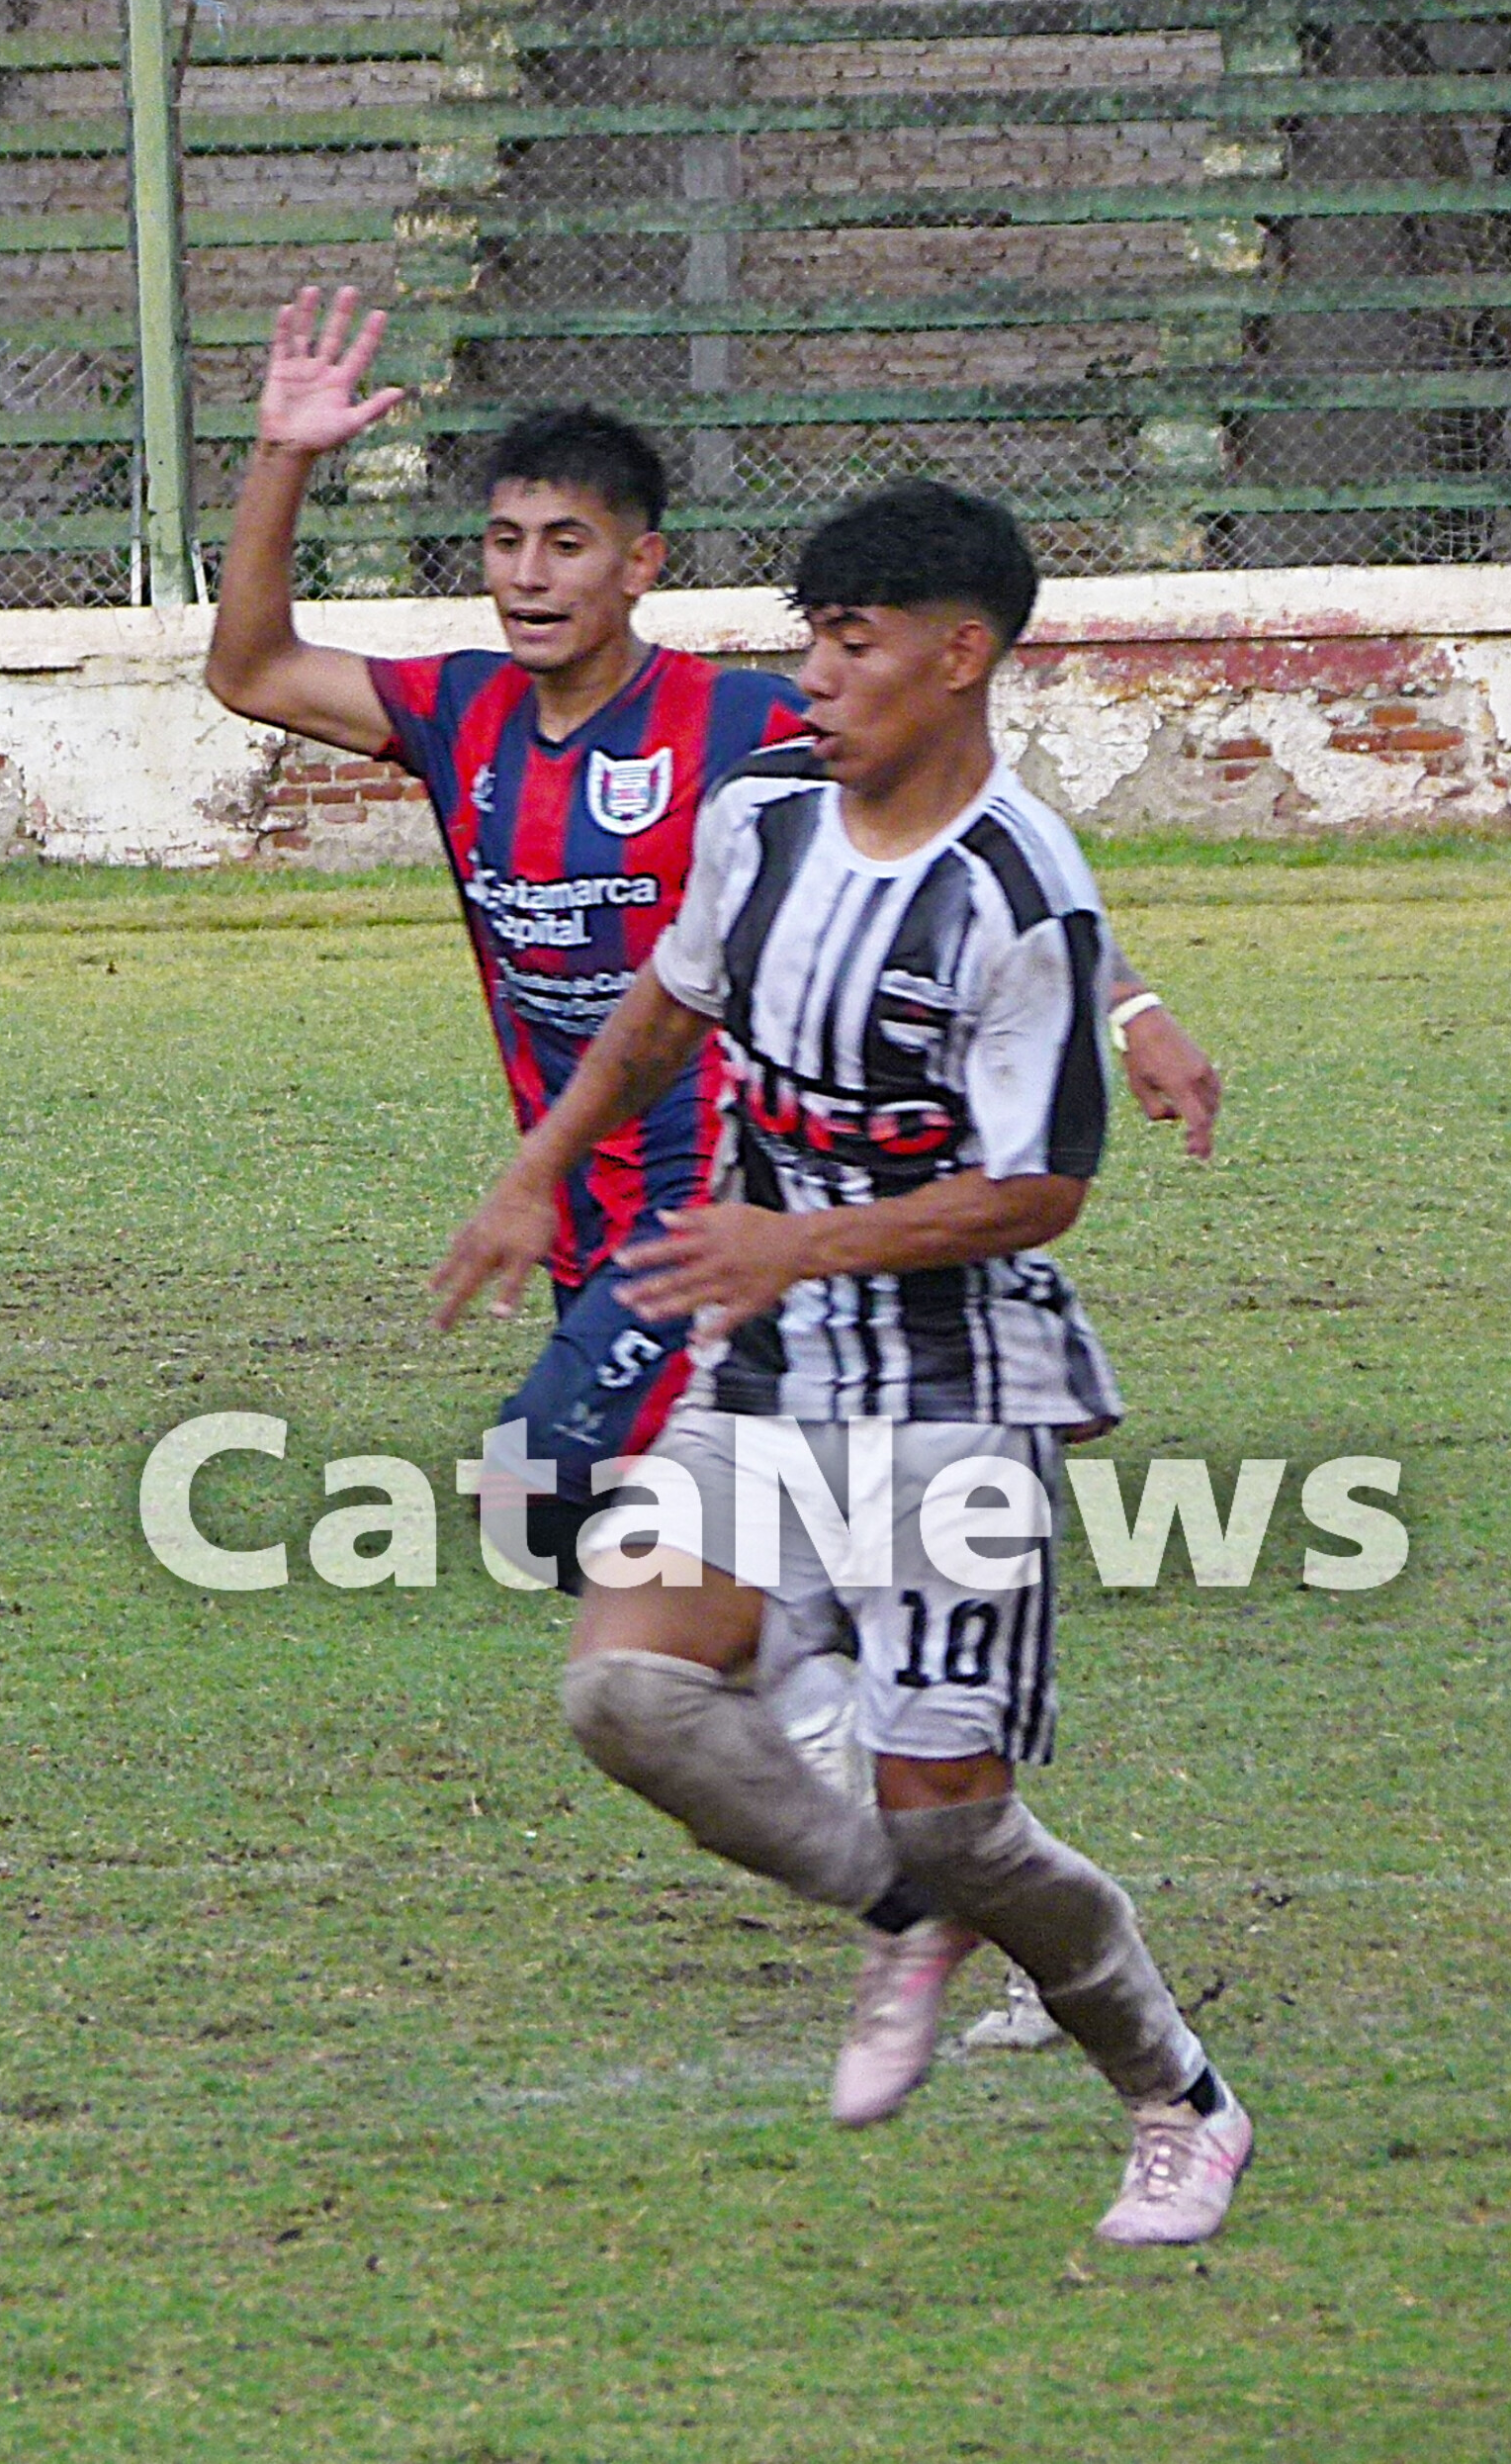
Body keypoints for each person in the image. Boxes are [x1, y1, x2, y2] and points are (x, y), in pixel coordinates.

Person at [429, 478, 1255, 2248]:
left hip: (957, 1399)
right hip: (773, 1366)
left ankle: (1176, 2097)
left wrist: (788, 1237)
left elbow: (1042, 1185)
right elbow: (666, 1010)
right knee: (624, 1691)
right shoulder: (768, 818)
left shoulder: (1019, 894)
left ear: (958, 660)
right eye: (808, 637)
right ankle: (897, 1919)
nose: (811, 674)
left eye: (851, 643)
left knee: (962, 1821)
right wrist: (536, 1168)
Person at [205, 284, 1223, 1603]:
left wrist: (1130, 1004)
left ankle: (930, 1501)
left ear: (639, 566)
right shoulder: (455, 709)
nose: (528, 572)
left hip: (714, 1197)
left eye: (567, 542)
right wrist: (285, 455)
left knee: (545, 1503)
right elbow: (250, 670)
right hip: (578, 1190)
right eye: (506, 541)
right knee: (631, 1514)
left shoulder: (736, 724)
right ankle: (932, 1480)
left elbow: (971, 828)